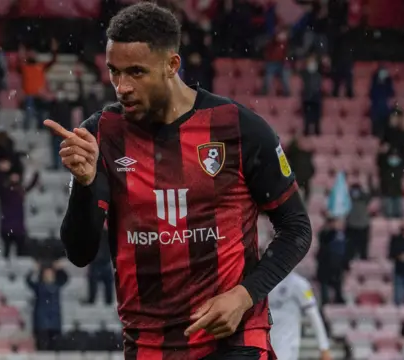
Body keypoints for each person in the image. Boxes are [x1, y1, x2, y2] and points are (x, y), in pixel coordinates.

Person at [44, 3, 312, 359]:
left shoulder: (237, 127)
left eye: (136, 72)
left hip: (234, 340)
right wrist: (85, 182)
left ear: (172, 65)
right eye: (114, 72)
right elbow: (79, 253)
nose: (122, 87)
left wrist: (244, 295)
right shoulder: (102, 134)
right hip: (150, 345)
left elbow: (296, 228)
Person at [269, 272, 332, 360]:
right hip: (264, 342)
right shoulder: (261, 280)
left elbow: (313, 314)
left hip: (286, 346)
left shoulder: (300, 284)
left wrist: (324, 347)